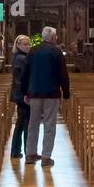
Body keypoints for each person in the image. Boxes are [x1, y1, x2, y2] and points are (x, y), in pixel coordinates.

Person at [19, 25, 70, 167]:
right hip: (52, 94)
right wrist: (66, 93)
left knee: (33, 124)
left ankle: (30, 154)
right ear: (53, 37)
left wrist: (24, 92)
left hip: (34, 93)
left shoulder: (32, 51)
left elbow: (25, 73)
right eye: (56, 36)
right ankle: (46, 157)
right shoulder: (57, 52)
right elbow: (63, 75)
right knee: (49, 125)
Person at [9, 34, 32, 159]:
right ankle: (27, 151)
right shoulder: (21, 58)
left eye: (29, 44)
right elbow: (23, 79)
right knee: (24, 123)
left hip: (21, 94)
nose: (27, 46)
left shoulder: (19, 57)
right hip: (23, 96)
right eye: (25, 44)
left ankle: (17, 150)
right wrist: (27, 94)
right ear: (17, 45)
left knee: (21, 123)